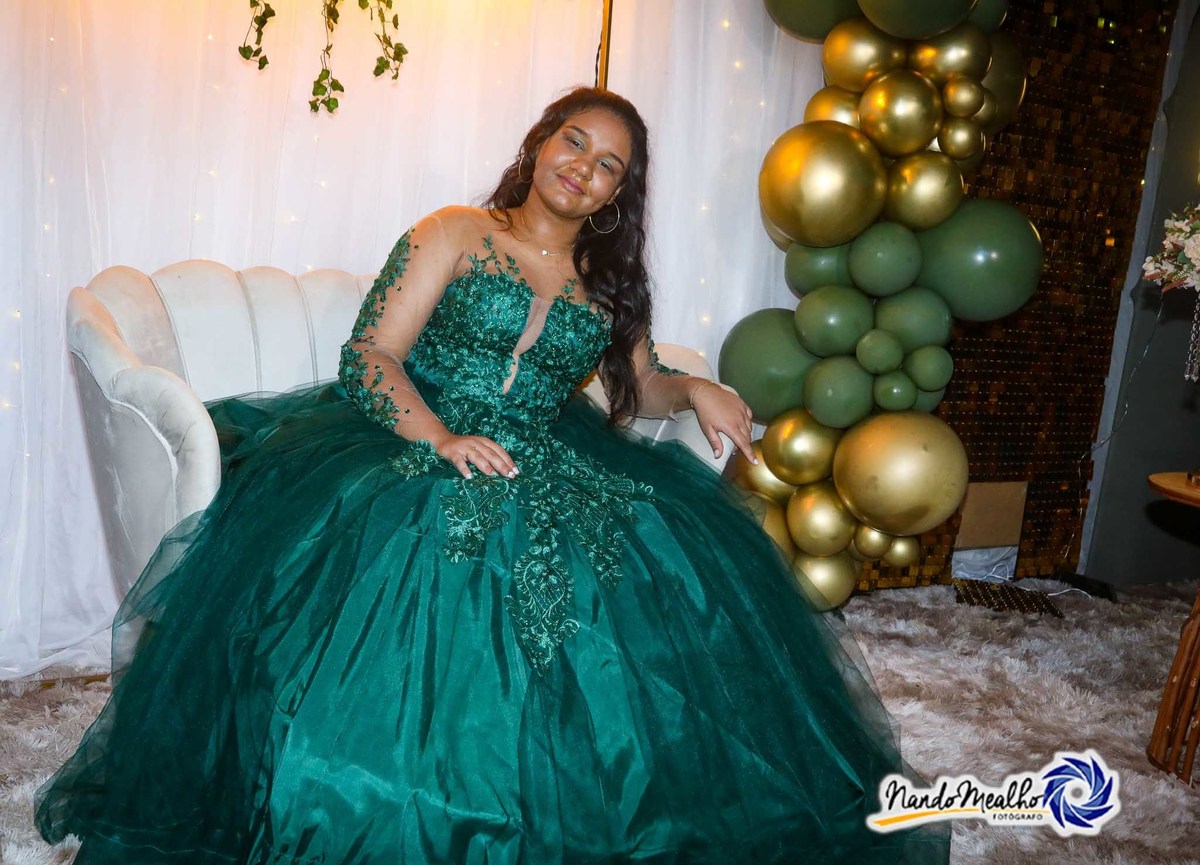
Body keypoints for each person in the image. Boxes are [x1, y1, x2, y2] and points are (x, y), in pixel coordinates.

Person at [35, 87, 951, 864]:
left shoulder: (608, 282)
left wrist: (696, 388)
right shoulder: (455, 231)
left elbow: (635, 387)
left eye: (608, 166)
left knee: (647, 574)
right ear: (539, 144)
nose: (583, 168)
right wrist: (440, 438)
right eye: (574, 143)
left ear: (617, 195)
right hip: (411, 439)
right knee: (423, 568)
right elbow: (370, 356)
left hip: (548, 450)